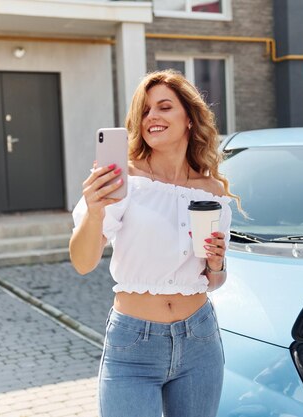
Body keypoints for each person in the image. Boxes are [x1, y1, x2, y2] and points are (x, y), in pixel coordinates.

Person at [69, 69, 237, 417]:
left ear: (189, 119)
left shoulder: (212, 192)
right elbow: (83, 262)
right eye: (144, 111)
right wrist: (95, 212)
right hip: (134, 344)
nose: (152, 117)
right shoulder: (122, 179)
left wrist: (217, 264)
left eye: (164, 107)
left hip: (200, 339)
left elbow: (214, 281)